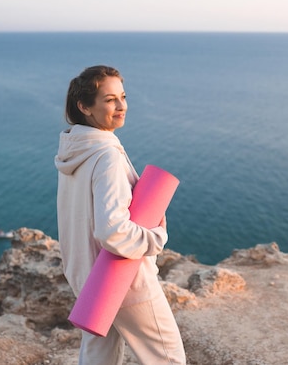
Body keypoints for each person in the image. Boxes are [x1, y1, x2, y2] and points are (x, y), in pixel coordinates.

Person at [55, 65, 186, 364]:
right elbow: (112, 229)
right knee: (168, 358)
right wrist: (155, 238)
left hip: (87, 278)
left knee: (99, 358)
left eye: (123, 97)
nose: (122, 106)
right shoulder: (107, 156)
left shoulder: (74, 150)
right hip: (122, 280)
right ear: (84, 106)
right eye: (110, 99)